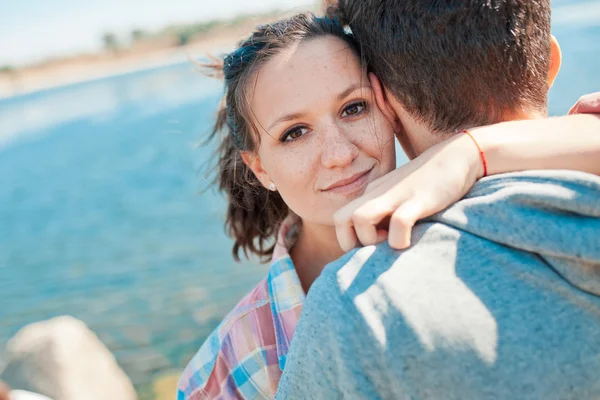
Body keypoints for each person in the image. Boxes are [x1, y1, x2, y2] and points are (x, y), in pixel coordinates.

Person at [177, 12, 600, 400]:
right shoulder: (229, 366)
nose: (339, 153)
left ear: (392, 106)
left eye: (353, 108)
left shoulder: (474, 215)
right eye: (294, 133)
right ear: (259, 167)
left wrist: (471, 151)